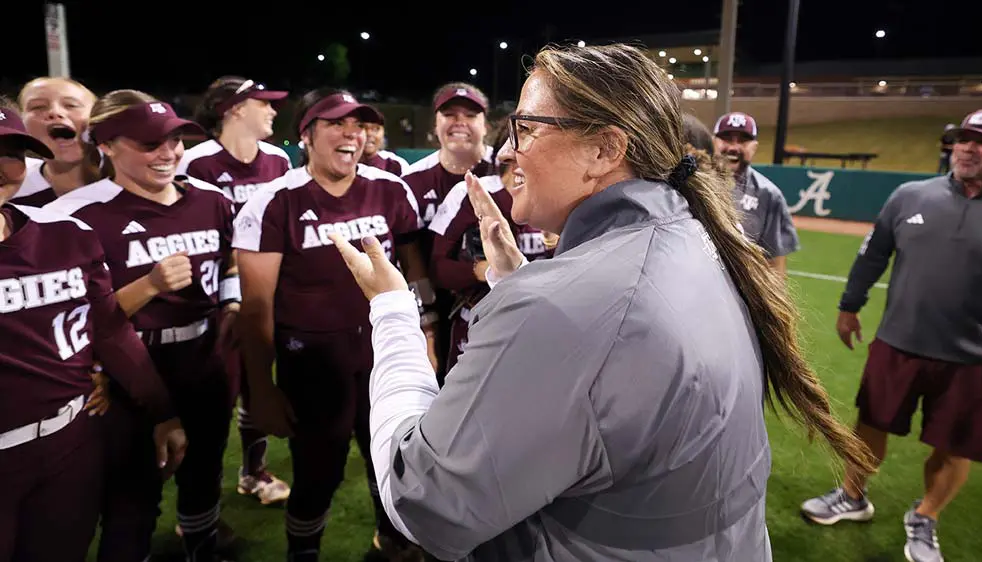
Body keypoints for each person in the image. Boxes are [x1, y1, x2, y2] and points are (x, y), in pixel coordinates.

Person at [330, 43, 874, 561]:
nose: (509, 148)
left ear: (604, 150)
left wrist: (393, 313)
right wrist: (516, 280)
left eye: (525, 127)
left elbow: (421, 501)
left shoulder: (564, 308)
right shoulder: (694, 235)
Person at [233, 89, 430, 562]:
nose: (352, 134)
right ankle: (304, 552)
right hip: (314, 367)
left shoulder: (390, 188)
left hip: (385, 359)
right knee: (318, 474)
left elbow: (414, 272)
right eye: (337, 124)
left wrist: (427, 337)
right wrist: (261, 389)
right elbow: (256, 308)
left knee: (400, 464)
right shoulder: (273, 201)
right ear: (306, 134)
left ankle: (394, 545)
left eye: (359, 126)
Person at [45, 90, 239, 562]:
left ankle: (201, 550)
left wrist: (231, 307)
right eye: (150, 144)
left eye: (174, 140)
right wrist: (147, 286)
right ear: (106, 145)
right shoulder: (72, 215)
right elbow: (67, 319)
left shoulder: (210, 199)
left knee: (204, 474)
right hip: (126, 374)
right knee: (133, 496)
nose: (168, 153)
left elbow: (228, 264)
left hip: (202, 357)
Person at [800, 107, 982, 562]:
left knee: (954, 446)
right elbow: (873, 256)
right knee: (869, 425)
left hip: (977, 357)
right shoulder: (911, 195)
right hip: (899, 343)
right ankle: (852, 496)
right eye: (963, 138)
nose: (968, 147)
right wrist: (849, 305)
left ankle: (926, 516)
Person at [0, 99, 186, 561]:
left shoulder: (65, 233)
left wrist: (162, 410)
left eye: (8, 151)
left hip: (69, 442)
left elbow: (109, 330)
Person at [179, 75, 292, 507]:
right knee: (214, 396)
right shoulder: (196, 162)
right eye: (262, 103)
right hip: (209, 299)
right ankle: (199, 496)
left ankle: (252, 470)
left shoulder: (278, 160)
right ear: (234, 109)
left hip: (265, 292)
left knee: (257, 382)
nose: (272, 110)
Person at [427, 126, 552, 370]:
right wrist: (483, 270)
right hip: (478, 319)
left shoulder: (561, 195)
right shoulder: (471, 191)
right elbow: (437, 268)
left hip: (542, 322)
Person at [402, 82, 495, 376]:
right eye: (450, 114)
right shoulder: (412, 180)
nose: (459, 122)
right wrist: (425, 315)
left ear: (486, 125)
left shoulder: (505, 168)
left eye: (470, 115)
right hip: (436, 302)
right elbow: (410, 255)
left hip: (495, 299)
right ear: (436, 123)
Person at [712, 111, 800, 274]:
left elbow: (774, 263)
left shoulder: (769, 194)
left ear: (755, 147)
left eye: (743, 140)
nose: (733, 147)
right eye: (727, 138)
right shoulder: (691, 183)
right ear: (713, 142)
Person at [13, 76, 97, 206]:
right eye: (38, 107)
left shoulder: (131, 181)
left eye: (71, 105)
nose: (55, 112)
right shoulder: (10, 188)